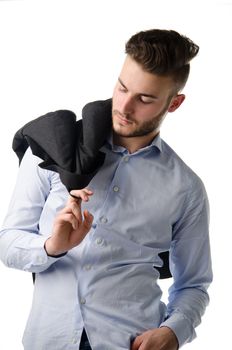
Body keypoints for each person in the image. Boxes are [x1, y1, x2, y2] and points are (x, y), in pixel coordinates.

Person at [0, 29, 212, 350]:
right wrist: (51, 247)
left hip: (129, 342)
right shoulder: (52, 150)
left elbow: (194, 283)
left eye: (144, 99)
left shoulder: (186, 188)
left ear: (175, 103)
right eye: (122, 87)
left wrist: (173, 331)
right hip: (49, 340)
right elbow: (7, 243)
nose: (124, 107)